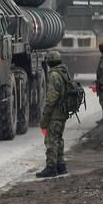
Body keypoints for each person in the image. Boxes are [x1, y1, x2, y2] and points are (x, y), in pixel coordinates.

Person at [36, 50, 70, 178]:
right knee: (59, 139)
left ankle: (51, 167)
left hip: (55, 114)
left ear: (49, 62)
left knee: (51, 141)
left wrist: (44, 118)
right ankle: (61, 166)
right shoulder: (64, 72)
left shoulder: (54, 75)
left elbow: (51, 99)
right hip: (63, 113)